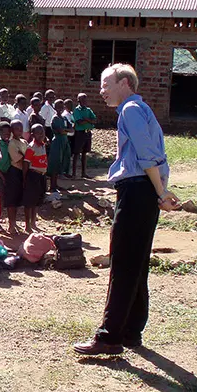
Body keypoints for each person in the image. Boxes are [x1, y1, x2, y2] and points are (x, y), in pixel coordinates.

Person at [74, 64, 179, 356]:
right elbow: (157, 158)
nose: (102, 90)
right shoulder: (141, 109)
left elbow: (147, 156)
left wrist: (160, 192)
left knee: (123, 263)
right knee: (136, 263)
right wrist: (160, 192)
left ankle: (109, 336)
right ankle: (132, 331)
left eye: (106, 84)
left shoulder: (130, 110)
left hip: (136, 190)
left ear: (124, 82)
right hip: (144, 191)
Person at [22, 124, 48, 233]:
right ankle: (27, 225)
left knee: (37, 201)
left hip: (41, 176)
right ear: (32, 135)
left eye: (42, 132)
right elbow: (26, 164)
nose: (41, 135)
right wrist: (24, 178)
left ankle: (33, 222)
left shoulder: (43, 145)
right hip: (33, 175)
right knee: (29, 202)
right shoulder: (31, 147)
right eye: (38, 133)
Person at [47, 99, 72, 192]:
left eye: (62, 107)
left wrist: (65, 130)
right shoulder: (55, 118)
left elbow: (72, 129)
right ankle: (52, 186)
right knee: (55, 163)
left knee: (62, 162)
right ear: (55, 107)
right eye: (58, 107)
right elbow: (60, 131)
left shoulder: (64, 118)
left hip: (64, 141)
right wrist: (66, 130)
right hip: (57, 142)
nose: (60, 109)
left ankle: (56, 184)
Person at [72, 93, 97, 179]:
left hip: (87, 132)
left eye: (85, 100)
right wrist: (89, 120)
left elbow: (94, 120)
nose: (84, 102)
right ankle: (74, 174)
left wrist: (86, 119)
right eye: (82, 100)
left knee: (84, 153)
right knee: (76, 153)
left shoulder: (88, 110)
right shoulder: (76, 110)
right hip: (80, 133)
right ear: (78, 100)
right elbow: (79, 122)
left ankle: (83, 173)